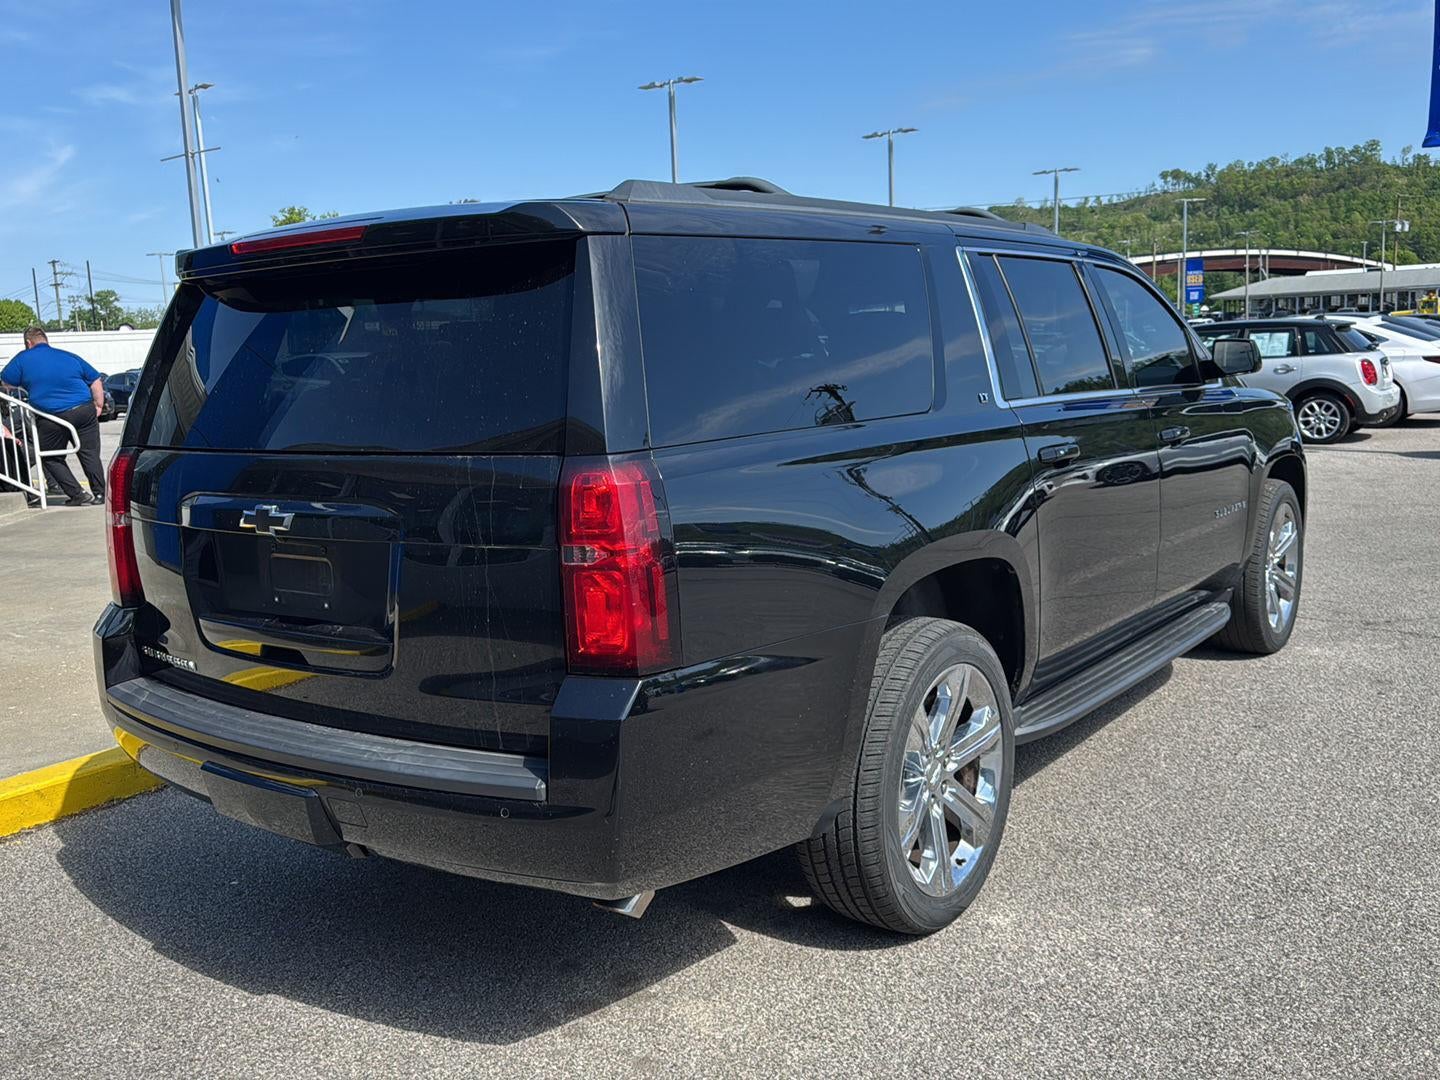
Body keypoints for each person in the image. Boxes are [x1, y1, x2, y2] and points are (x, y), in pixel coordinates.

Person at [0, 327, 106, 506]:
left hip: (52, 416)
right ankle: (100, 493)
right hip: (83, 410)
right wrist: (98, 405)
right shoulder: (68, 356)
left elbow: (5, 382)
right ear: (46, 340)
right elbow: (95, 379)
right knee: (90, 453)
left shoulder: (22, 359)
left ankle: (77, 493)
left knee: (49, 456)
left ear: (28, 343)